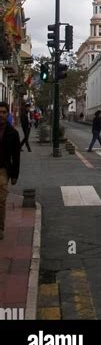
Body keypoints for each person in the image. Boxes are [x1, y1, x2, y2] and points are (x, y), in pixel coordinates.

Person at [0, 100, 20, 240]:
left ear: (7, 114)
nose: (1, 115)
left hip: (3, 170)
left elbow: (16, 156)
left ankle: (0, 227)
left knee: (1, 200)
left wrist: (14, 175)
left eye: (3, 112)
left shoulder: (13, 133)